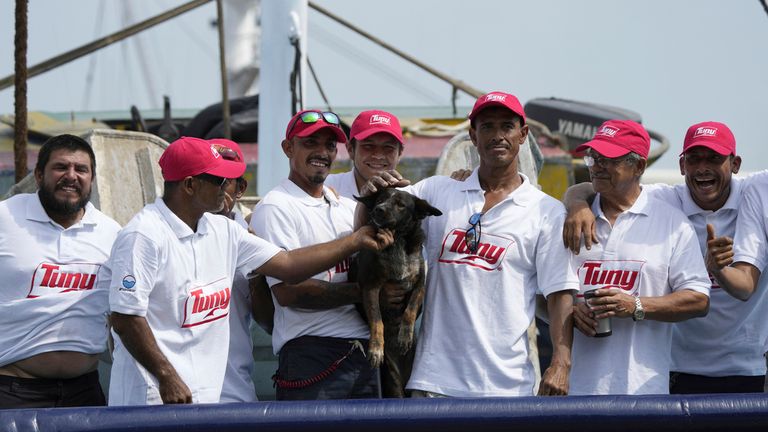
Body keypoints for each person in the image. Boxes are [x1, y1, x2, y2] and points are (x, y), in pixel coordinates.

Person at [103, 136, 392, 405]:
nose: (228, 188)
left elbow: (288, 266)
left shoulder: (222, 228)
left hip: (209, 396)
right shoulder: (143, 235)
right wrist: (166, 376)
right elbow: (126, 318)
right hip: (153, 398)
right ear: (190, 185)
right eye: (219, 180)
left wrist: (354, 241)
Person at [359, 91, 579, 397]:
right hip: (434, 383)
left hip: (508, 387)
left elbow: (559, 294)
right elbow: (379, 210)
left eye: (507, 126)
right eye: (487, 127)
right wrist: (372, 189)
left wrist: (561, 363)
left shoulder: (546, 211)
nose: (497, 135)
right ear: (473, 136)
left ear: (523, 134)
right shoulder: (438, 190)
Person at [563, 121, 768, 393]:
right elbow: (597, 186)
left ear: (736, 164)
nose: (703, 168)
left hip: (743, 364)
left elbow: (742, 288)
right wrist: (577, 205)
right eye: (694, 159)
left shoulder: (753, 194)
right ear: (682, 166)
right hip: (674, 366)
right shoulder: (664, 201)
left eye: (714, 159)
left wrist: (718, 270)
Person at [250, 110, 384, 400]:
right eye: (311, 143)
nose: (322, 152)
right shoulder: (276, 207)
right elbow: (289, 293)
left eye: (329, 145)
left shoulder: (346, 208)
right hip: (311, 354)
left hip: (363, 354)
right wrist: (366, 293)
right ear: (288, 148)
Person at [0, 134, 121, 408]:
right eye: (60, 167)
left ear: (92, 178)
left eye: (81, 169)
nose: (71, 176)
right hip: (13, 392)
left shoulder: (112, 233)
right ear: (39, 175)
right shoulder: (5, 218)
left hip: (85, 392)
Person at [325, 109, 404, 199]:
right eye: (368, 146)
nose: (378, 155)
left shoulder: (412, 199)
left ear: (400, 153)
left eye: (388, 147)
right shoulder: (325, 188)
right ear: (350, 149)